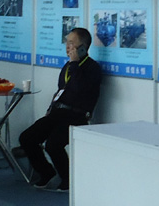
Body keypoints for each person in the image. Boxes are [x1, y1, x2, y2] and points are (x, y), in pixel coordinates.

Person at [20, 27, 101, 192]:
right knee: (27, 138)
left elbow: (78, 89)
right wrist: (50, 109)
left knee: (53, 144)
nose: (68, 47)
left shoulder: (92, 68)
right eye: (67, 42)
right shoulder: (68, 66)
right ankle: (47, 173)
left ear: (83, 47)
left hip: (76, 116)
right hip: (57, 113)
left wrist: (75, 63)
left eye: (72, 43)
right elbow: (62, 90)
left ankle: (68, 179)